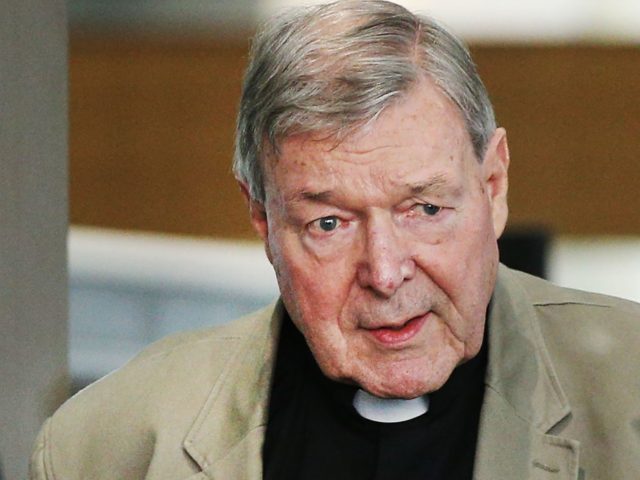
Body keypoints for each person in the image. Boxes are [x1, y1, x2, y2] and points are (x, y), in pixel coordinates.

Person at [31, 1, 640, 479]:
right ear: (263, 220)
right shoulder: (105, 445)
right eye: (330, 223)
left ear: (494, 184)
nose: (384, 271)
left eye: (424, 208)